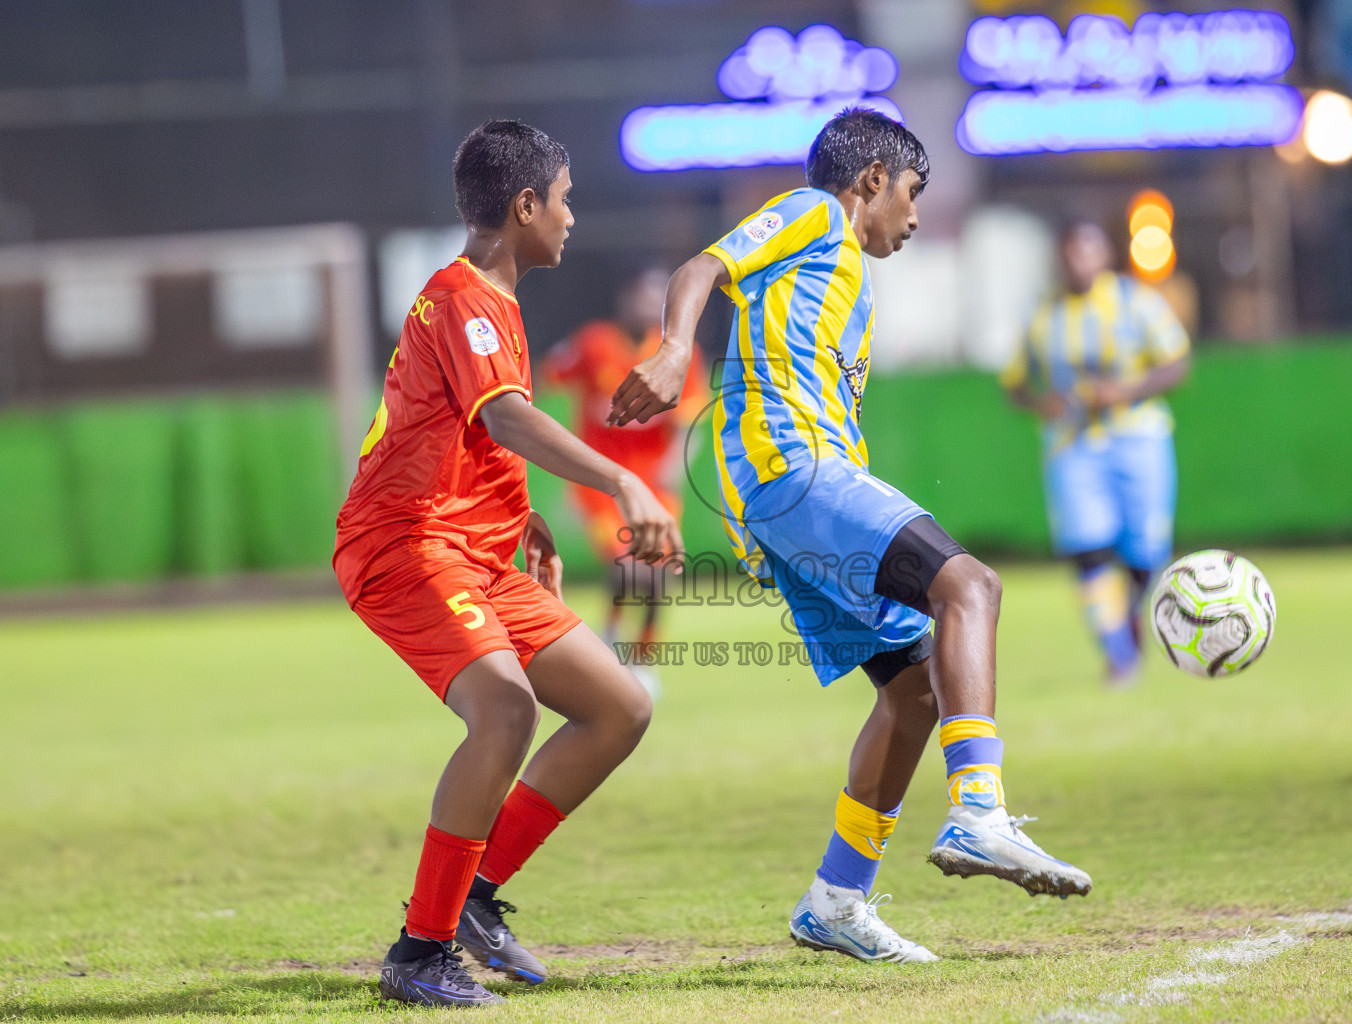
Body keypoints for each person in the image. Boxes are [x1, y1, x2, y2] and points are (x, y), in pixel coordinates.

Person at [608, 107, 1093, 965]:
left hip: (791, 491)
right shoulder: (812, 212)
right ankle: (978, 811)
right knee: (971, 587)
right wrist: (674, 347)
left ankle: (836, 900)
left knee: (913, 688)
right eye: (911, 192)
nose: (912, 216)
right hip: (789, 467)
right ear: (871, 178)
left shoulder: (849, 292)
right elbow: (702, 266)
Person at [333, 119, 682, 1007]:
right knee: (505, 707)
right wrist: (622, 484)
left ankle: (476, 899)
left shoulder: (494, 301)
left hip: (476, 550)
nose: (573, 215)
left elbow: (455, 429)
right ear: (525, 206)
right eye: (564, 198)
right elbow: (505, 418)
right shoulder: (463, 297)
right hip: (406, 543)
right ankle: (420, 951)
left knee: (618, 707)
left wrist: (523, 515)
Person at [1001, 219, 1191, 686]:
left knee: (1145, 556)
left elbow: (1177, 362)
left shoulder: (1135, 301)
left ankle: (1128, 621)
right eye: (1069, 252)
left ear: (1104, 255)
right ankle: (1119, 656)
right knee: (1087, 550)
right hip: (1073, 447)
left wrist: (1126, 390)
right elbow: (1015, 383)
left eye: (1086, 251)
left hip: (1138, 439)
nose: (1077, 261)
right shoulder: (1044, 315)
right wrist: (1042, 403)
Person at [541, 267, 709, 696]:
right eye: (643, 296)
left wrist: (674, 469)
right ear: (625, 299)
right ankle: (613, 640)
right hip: (600, 486)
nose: (650, 305)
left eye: (659, 297)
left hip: (653, 486)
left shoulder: (676, 354)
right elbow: (548, 375)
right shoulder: (594, 344)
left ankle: (644, 661)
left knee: (660, 572)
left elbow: (690, 422)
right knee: (627, 567)